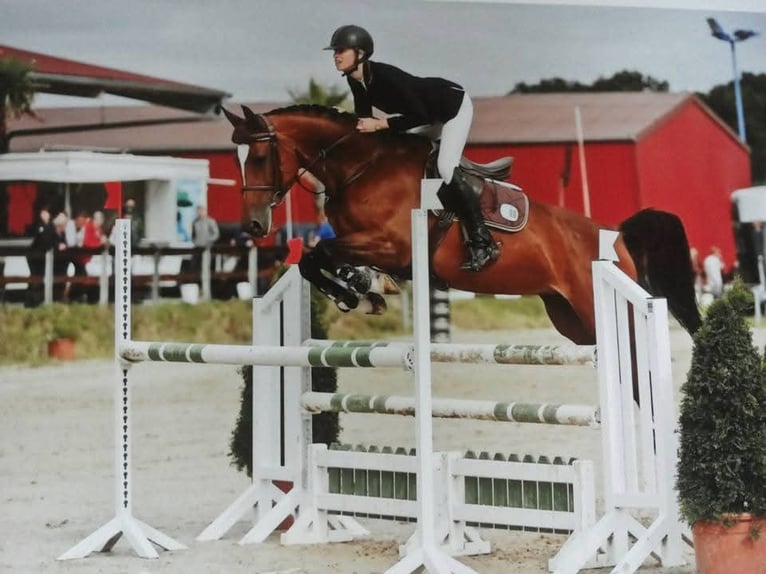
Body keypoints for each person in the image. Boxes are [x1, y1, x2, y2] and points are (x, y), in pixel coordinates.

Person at [325, 24, 499, 272]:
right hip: (428, 115)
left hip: (452, 109)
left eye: (341, 50)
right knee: (397, 151)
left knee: (446, 167)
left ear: (360, 54)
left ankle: (483, 242)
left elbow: (419, 115)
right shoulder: (357, 82)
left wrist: (380, 124)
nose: (336, 55)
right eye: (334, 51)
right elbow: (363, 124)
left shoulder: (385, 77)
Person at [191, 205, 220, 275]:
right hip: (197, 247)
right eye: (198, 211)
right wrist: (195, 241)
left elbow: (216, 234)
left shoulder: (211, 221)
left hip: (208, 247)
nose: (200, 212)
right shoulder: (195, 222)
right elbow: (193, 234)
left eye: (201, 210)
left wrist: (208, 240)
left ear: (205, 211)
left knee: (207, 266)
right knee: (195, 266)